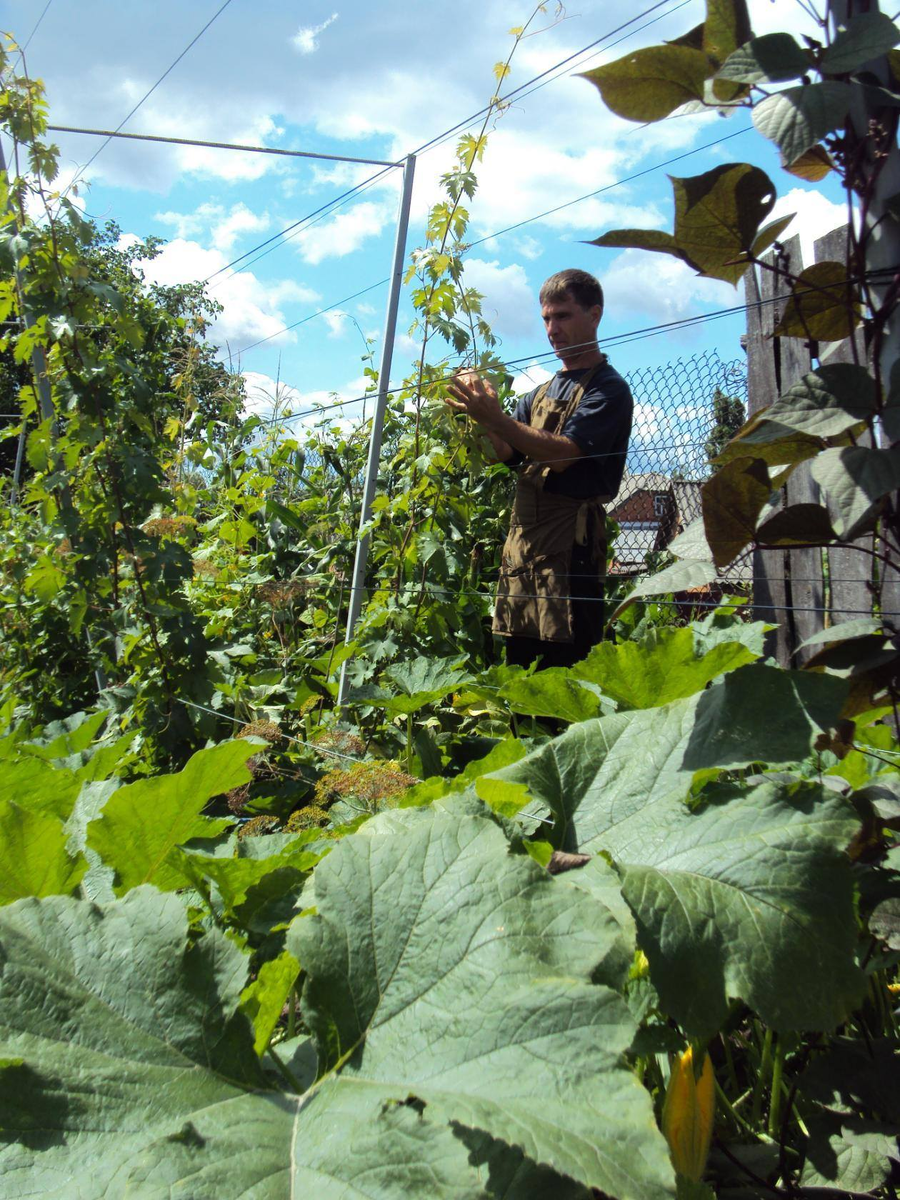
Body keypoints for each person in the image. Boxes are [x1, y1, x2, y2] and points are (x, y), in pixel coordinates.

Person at [446, 268, 632, 669]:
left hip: (572, 553)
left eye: (562, 316)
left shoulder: (608, 389)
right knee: (518, 671)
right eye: (546, 318)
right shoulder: (539, 393)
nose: (552, 328)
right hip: (524, 547)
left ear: (595, 315)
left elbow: (565, 454)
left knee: (567, 674)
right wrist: (477, 406)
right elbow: (507, 452)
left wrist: (496, 418)